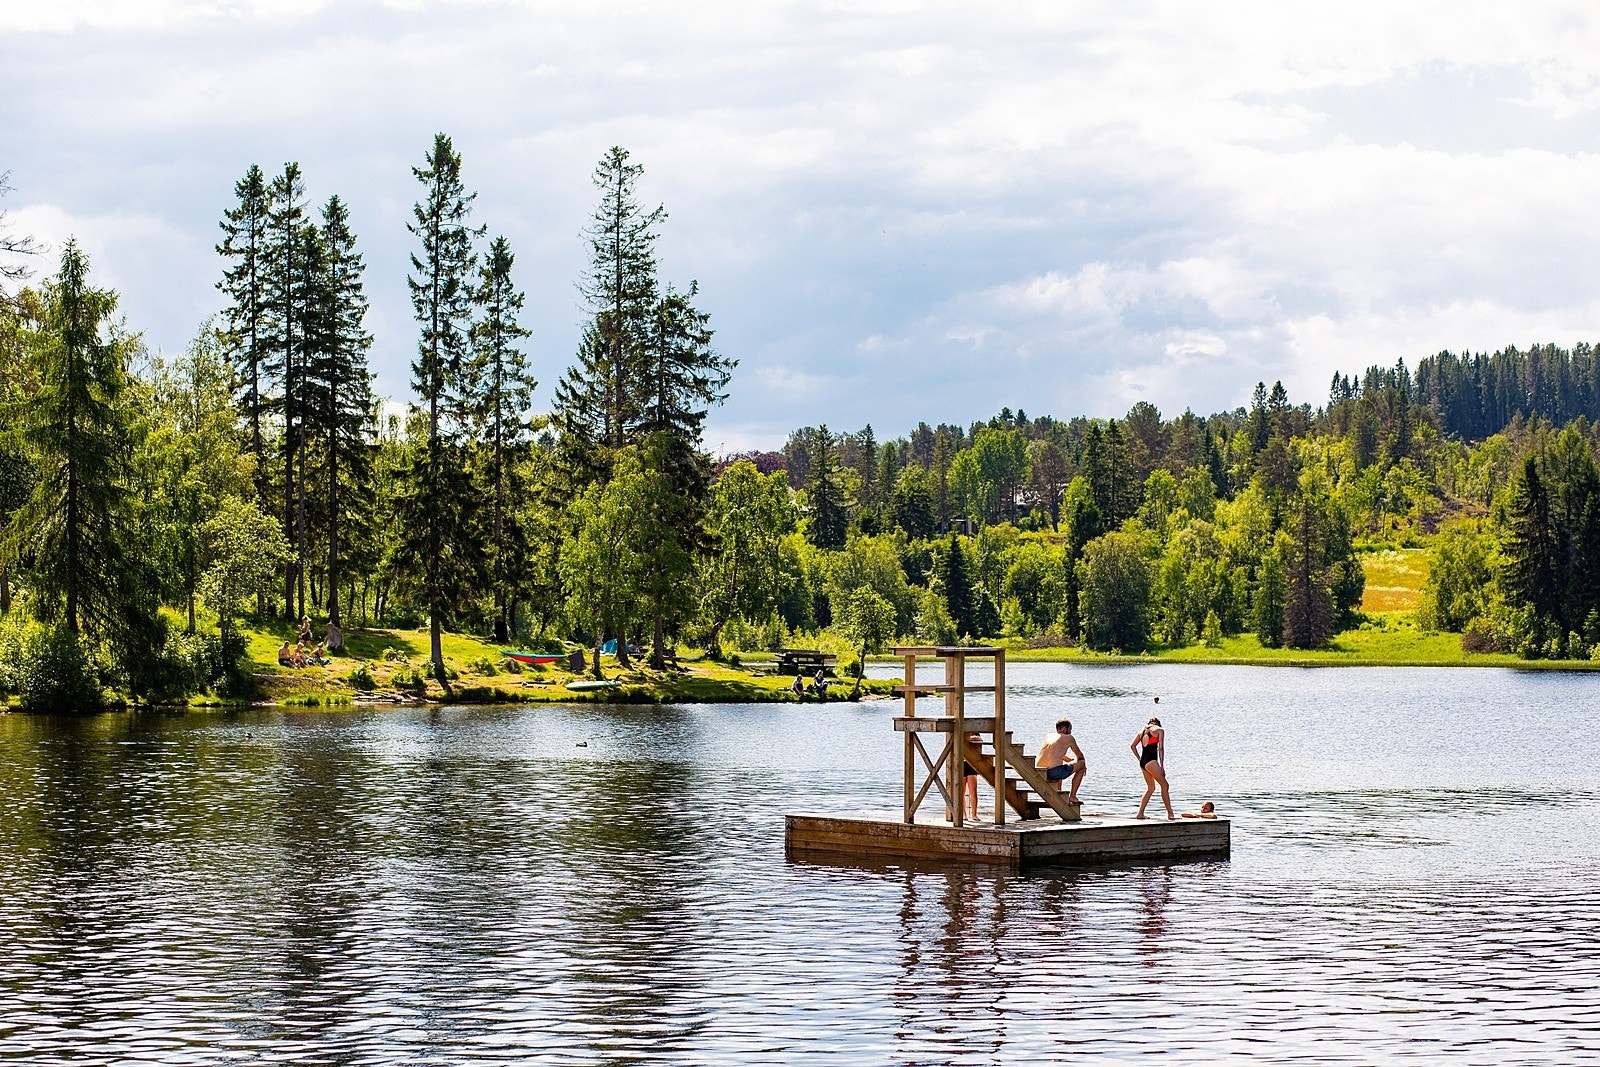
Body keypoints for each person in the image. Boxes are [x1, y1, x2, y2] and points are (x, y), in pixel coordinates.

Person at [1132, 716, 1174, 820]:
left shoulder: (1142, 731)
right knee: (1165, 786)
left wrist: (1139, 759)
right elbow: (1161, 748)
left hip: (1143, 762)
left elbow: (1132, 746)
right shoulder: (1159, 730)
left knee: (1151, 788)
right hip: (1151, 761)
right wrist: (1162, 766)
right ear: (1158, 723)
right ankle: (1170, 814)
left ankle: (1140, 814)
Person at [1036, 719, 1087, 804]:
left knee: (1060, 765)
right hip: (1054, 772)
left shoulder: (1049, 736)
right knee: (1082, 764)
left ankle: (1059, 791)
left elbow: (1054, 755)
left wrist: (1070, 760)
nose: (1071, 732)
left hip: (1040, 771)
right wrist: (1083, 766)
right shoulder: (1069, 738)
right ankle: (1073, 796)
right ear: (1064, 728)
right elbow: (1080, 756)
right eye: (1070, 729)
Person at [962, 732, 983, 820]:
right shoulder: (962, 739)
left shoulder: (976, 738)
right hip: (962, 764)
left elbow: (978, 740)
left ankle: (974, 814)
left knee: (973, 792)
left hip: (971, 765)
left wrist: (969, 737)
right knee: (961, 792)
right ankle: (964, 814)